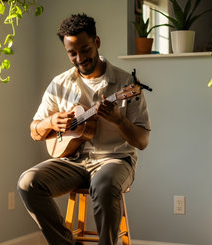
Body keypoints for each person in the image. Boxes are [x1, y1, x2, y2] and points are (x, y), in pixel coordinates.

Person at [17, 14, 151, 245]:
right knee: (28, 182)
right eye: (72, 53)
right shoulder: (60, 84)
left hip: (115, 160)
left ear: (97, 42)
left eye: (85, 49)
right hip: (71, 160)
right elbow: (34, 130)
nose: (80, 58)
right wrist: (50, 123)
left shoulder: (125, 83)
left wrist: (120, 121)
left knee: (104, 184)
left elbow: (142, 141)